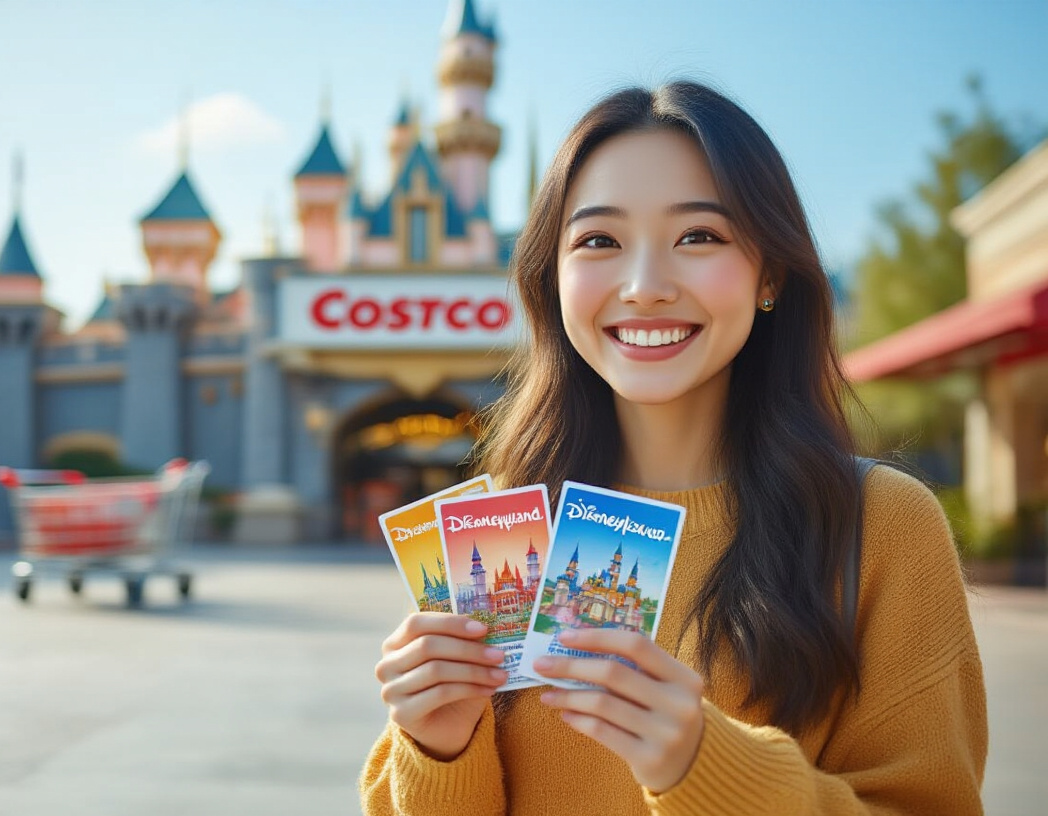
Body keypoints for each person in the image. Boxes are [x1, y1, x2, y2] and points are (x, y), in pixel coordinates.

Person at [360, 81, 986, 815]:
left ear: (770, 274)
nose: (644, 286)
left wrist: (706, 765)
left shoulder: (878, 525)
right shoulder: (501, 525)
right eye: (599, 240)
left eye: (699, 236)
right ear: (550, 279)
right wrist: (438, 747)